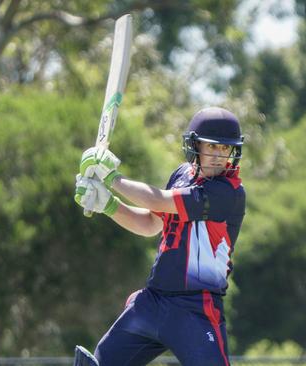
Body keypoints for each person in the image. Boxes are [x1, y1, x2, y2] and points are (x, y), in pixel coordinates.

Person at [73, 107, 246, 366]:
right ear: (194, 145)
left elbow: (158, 200)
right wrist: (108, 205)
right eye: (211, 147)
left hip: (196, 310)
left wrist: (112, 178)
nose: (218, 156)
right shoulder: (181, 175)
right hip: (153, 302)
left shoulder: (229, 192)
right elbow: (150, 223)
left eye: (224, 149)